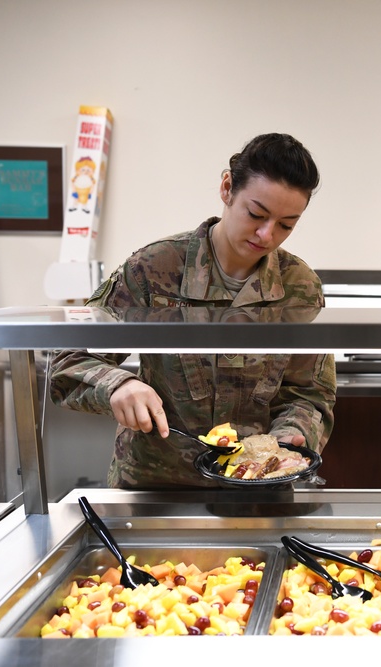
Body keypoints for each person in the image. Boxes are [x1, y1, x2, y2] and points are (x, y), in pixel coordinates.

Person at [49, 133, 336, 489]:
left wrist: (292, 435)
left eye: (286, 225)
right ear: (227, 188)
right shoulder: (153, 269)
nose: (266, 235)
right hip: (156, 489)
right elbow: (67, 358)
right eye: (256, 214)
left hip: (254, 486)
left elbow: (308, 392)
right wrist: (117, 385)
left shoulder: (299, 287)